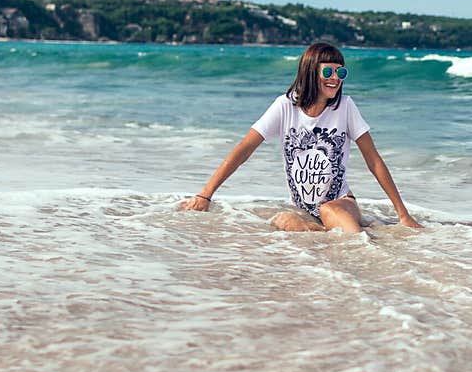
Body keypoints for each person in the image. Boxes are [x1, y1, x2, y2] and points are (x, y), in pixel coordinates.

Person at [178, 42, 423, 233]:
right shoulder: (284, 107)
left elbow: (374, 161)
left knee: (332, 213)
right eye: (328, 71)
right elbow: (244, 149)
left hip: (341, 202)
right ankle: (323, 232)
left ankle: (343, 235)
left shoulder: (346, 107)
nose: (335, 78)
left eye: (341, 72)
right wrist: (205, 195)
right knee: (283, 222)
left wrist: (403, 215)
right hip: (304, 210)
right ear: (310, 72)